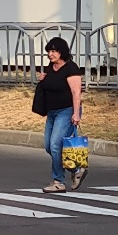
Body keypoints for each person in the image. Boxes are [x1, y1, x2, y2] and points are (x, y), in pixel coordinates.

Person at [34, 36, 85, 192]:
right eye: (49, 51)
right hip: (52, 112)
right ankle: (76, 170)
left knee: (56, 145)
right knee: (49, 147)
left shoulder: (71, 68)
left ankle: (58, 181)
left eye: (54, 51)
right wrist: (42, 79)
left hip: (67, 110)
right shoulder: (51, 67)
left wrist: (76, 114)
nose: (51, 54)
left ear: (62, 52)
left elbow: (76, 92)